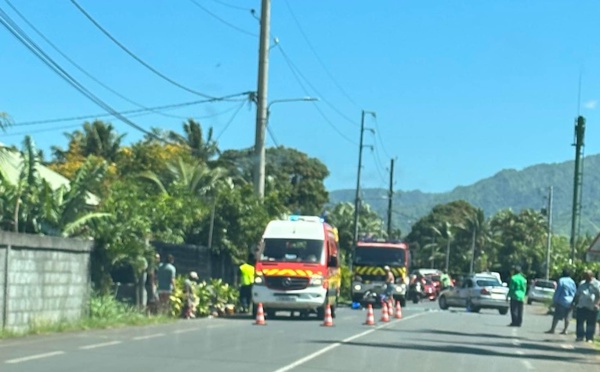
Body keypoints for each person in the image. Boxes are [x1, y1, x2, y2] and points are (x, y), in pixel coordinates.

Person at [546, 268, 576, 334]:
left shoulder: (561, 280)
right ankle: (565, 330)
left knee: (556, 315)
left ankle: (552, 329)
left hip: (562, 300)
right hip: (570, 301)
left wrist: (554, 301)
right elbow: (574, 292)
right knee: (568, 317)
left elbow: (558, 291)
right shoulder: (572, 281)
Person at [573, 270, 600, 342]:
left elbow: (599, 295)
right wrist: (575, 303)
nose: (585, 278)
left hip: (592, 306)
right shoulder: (582, 283)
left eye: (587, 276)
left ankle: (589, 337)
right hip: (582, 305)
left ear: (591, 276)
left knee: (591, 323)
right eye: (584, 276)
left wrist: (596, 304)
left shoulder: (597, 284)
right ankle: (580, 336)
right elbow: (577, 294)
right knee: (580, 322)